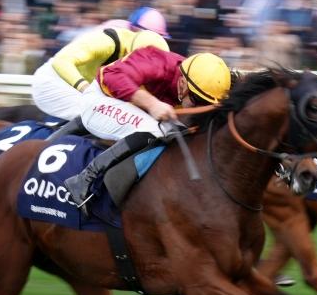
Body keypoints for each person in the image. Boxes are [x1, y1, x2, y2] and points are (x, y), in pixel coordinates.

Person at [62, 49, 231, 209]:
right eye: (197, 100)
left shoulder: (200, 77)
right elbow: (111, 75)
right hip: (98, 101)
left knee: (178, 132)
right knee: (156, 129)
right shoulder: (157, 62)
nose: (200, 107)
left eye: (206, 103)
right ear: (183, 84)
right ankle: (84, 179)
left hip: (128, 106)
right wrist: (151, 103)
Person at [30, 24, 170, 121]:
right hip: (53, 81)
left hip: (80, 89)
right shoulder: (106, 42)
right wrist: (86, 90)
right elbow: (61, 62)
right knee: (102, 116)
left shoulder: (136, 50)